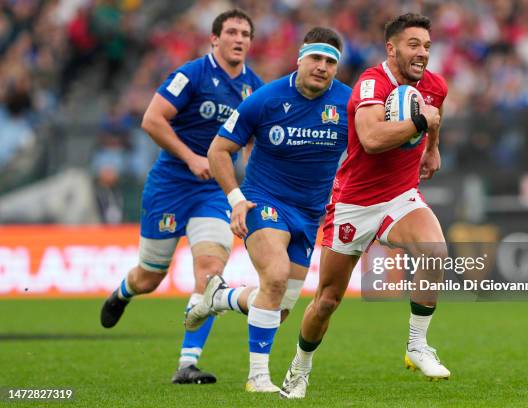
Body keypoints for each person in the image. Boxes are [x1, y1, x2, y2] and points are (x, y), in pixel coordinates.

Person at [280, 13, 449, 399]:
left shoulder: (435, 86)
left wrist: (433, 149)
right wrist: (423, 124)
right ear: (391, 49)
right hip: (354, 204)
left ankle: (417, 345)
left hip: (401, 196)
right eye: (413, 45)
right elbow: (372, 139)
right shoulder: (371, 82)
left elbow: (434, 115)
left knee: (435, 250)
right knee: (326, 301)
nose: (422, 53)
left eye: (426, 46)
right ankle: (300, 367)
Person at [99, 9, 264, 385]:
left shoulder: (254, 87)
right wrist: (190, 157)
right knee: (149, 278)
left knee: (209, 275)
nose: (239, 39)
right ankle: (123, 293)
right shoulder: (192, 74)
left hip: (213, 190)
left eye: (245, 34)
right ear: (215, 39)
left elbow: (254, 142)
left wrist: (248, 187)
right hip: (171, 185)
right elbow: (152, 119)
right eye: (232, 32)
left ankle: (186, 364)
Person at [187, 27, 351, 392]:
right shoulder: (265, 99)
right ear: (301, 59)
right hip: (266, 201)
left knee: (279, 309)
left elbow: (368, 149)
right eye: (316, 58)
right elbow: (218, 151)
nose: (322, 67)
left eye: (330, 61)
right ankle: (257, 377)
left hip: (309, 215)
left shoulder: (349, 104)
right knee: (274, 277)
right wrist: (236, 200)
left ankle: (221, 297)